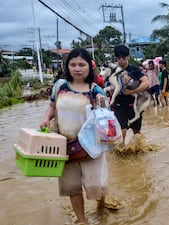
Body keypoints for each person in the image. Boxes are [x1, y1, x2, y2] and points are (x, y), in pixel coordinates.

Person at [39, 48, 109, 224]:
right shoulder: (60, 86)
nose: (77, 68)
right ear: (67, 66)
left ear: (89, 67)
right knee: (72, 187)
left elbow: (106, 119)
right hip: (63, 146)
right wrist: (46, 119)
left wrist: (102, 107)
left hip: (91, 147)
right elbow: (53, 106)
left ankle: (102, 207)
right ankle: (82, 220)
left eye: (82, 64)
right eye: (73, 64)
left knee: (97, 185)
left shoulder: (96, 91)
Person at [112, 44, 149, 146]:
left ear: (127, 57)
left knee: (136, 132)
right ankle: (121, 155)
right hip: (119, 105)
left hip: (135, 105)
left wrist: (131, 92)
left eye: (123, 58)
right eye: (118, 58)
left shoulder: (135, 69)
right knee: (121, 131)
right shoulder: (112, 71)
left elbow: (146, 83)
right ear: (116, 58)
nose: (121, 60)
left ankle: (138, 152)